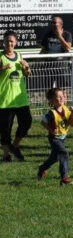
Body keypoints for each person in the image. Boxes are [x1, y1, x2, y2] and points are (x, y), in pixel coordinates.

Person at [0, 31, 32, 162]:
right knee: (5, 129)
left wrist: (26, 68)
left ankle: (15, 145)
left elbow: (27, 74)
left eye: (12, 41)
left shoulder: (19, 55)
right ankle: (6, 155)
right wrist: (1, 69)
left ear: (16, 43)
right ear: (4, 42)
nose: (9, 43)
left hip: (20, 99)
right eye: (7, 41)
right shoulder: (1, 57)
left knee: (27, 122)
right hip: (5, 99)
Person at [37, 87, 73, 186]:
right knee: (64, 153)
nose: (61, 98)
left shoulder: (66, 109)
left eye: (62, 96)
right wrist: (51, 130)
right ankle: (64, 177)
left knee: (54, 158)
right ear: (51, 100)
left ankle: (42, 168)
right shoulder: (51, 113)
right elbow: (43, 122)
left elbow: (72, 124)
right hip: (54, 139)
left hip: (62, 138)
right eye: (58, 97)